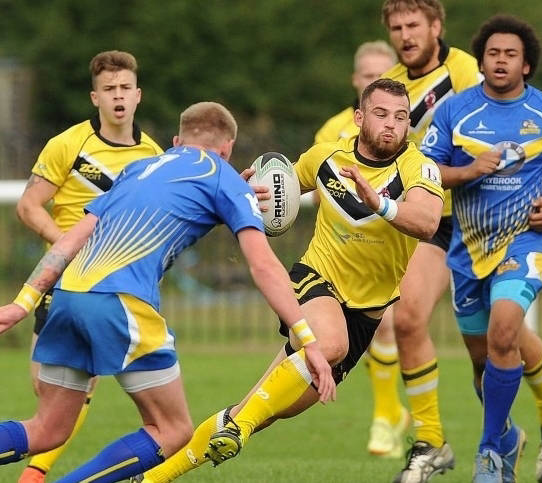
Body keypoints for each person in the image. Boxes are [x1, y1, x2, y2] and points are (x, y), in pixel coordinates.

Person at [0, 101, 335, 482]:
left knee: (47, 429)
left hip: (68, 295)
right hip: (120, 302)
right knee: (173, 430)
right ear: (227, 148)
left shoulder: (138, 169)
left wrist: (22, 303)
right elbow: (264, 267)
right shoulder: (222, 177)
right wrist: (308, 340)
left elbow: (69, 241)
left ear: (177, 141)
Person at [134, 78, 445, 483]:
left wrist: (380, 204)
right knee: (330, 344)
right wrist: (247, 192)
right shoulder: (326, 157)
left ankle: (154, 478)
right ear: (359, 118)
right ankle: (239, 429)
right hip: (316, 280)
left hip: (366, 312)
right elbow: (278, 190)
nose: (391, 124)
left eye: (401, 117)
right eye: (381, 114)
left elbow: (427, 221)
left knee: (260, 411)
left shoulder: (420, 167)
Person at [381, 3, 542, 482]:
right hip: (432, 220)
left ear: (436, 27)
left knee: (505, 333)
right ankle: (431, 440)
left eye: (413, 25)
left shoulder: (469, 70)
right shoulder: (391, 83)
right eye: (396, 27)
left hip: (484, 221)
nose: (405, 35)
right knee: (410, 320)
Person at [13, 50, 164, 483]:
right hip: (62, 281)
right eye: (109, 89)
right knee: (46, 390)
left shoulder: (152, 156)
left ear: (138, 95)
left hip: (116, 288)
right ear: (95, 97)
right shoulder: (69, 144)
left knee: (80, 390)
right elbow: (29, 206)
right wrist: (69, 246)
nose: (118, 96)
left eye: (125, 88)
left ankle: (35, 475)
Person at [315, 40, 411, 459]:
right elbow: (314, 187)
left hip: (391, 245)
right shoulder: (331, 132)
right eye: (370, 76)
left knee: (387, 326)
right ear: (357, 82)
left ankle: (386, 417)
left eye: (384, 74)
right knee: (345, 336)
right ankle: (389, 414)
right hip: (342, 251)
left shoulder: (403, 134)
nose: (377, 80)